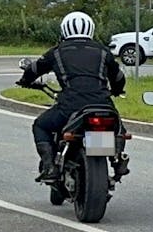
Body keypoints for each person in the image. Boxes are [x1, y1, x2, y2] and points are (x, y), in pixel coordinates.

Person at [18, 11, 126, 181]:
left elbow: (34, 69)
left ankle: (49, 166)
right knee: (118, 130)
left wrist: (25, 80)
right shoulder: (103, 52)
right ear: (91, 29)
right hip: (102, 105)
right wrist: (117, 90)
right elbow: (118, 77)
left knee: (41, 125)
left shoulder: (57, 52)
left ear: (64, 30)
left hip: (70, 107)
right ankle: (118, 158)